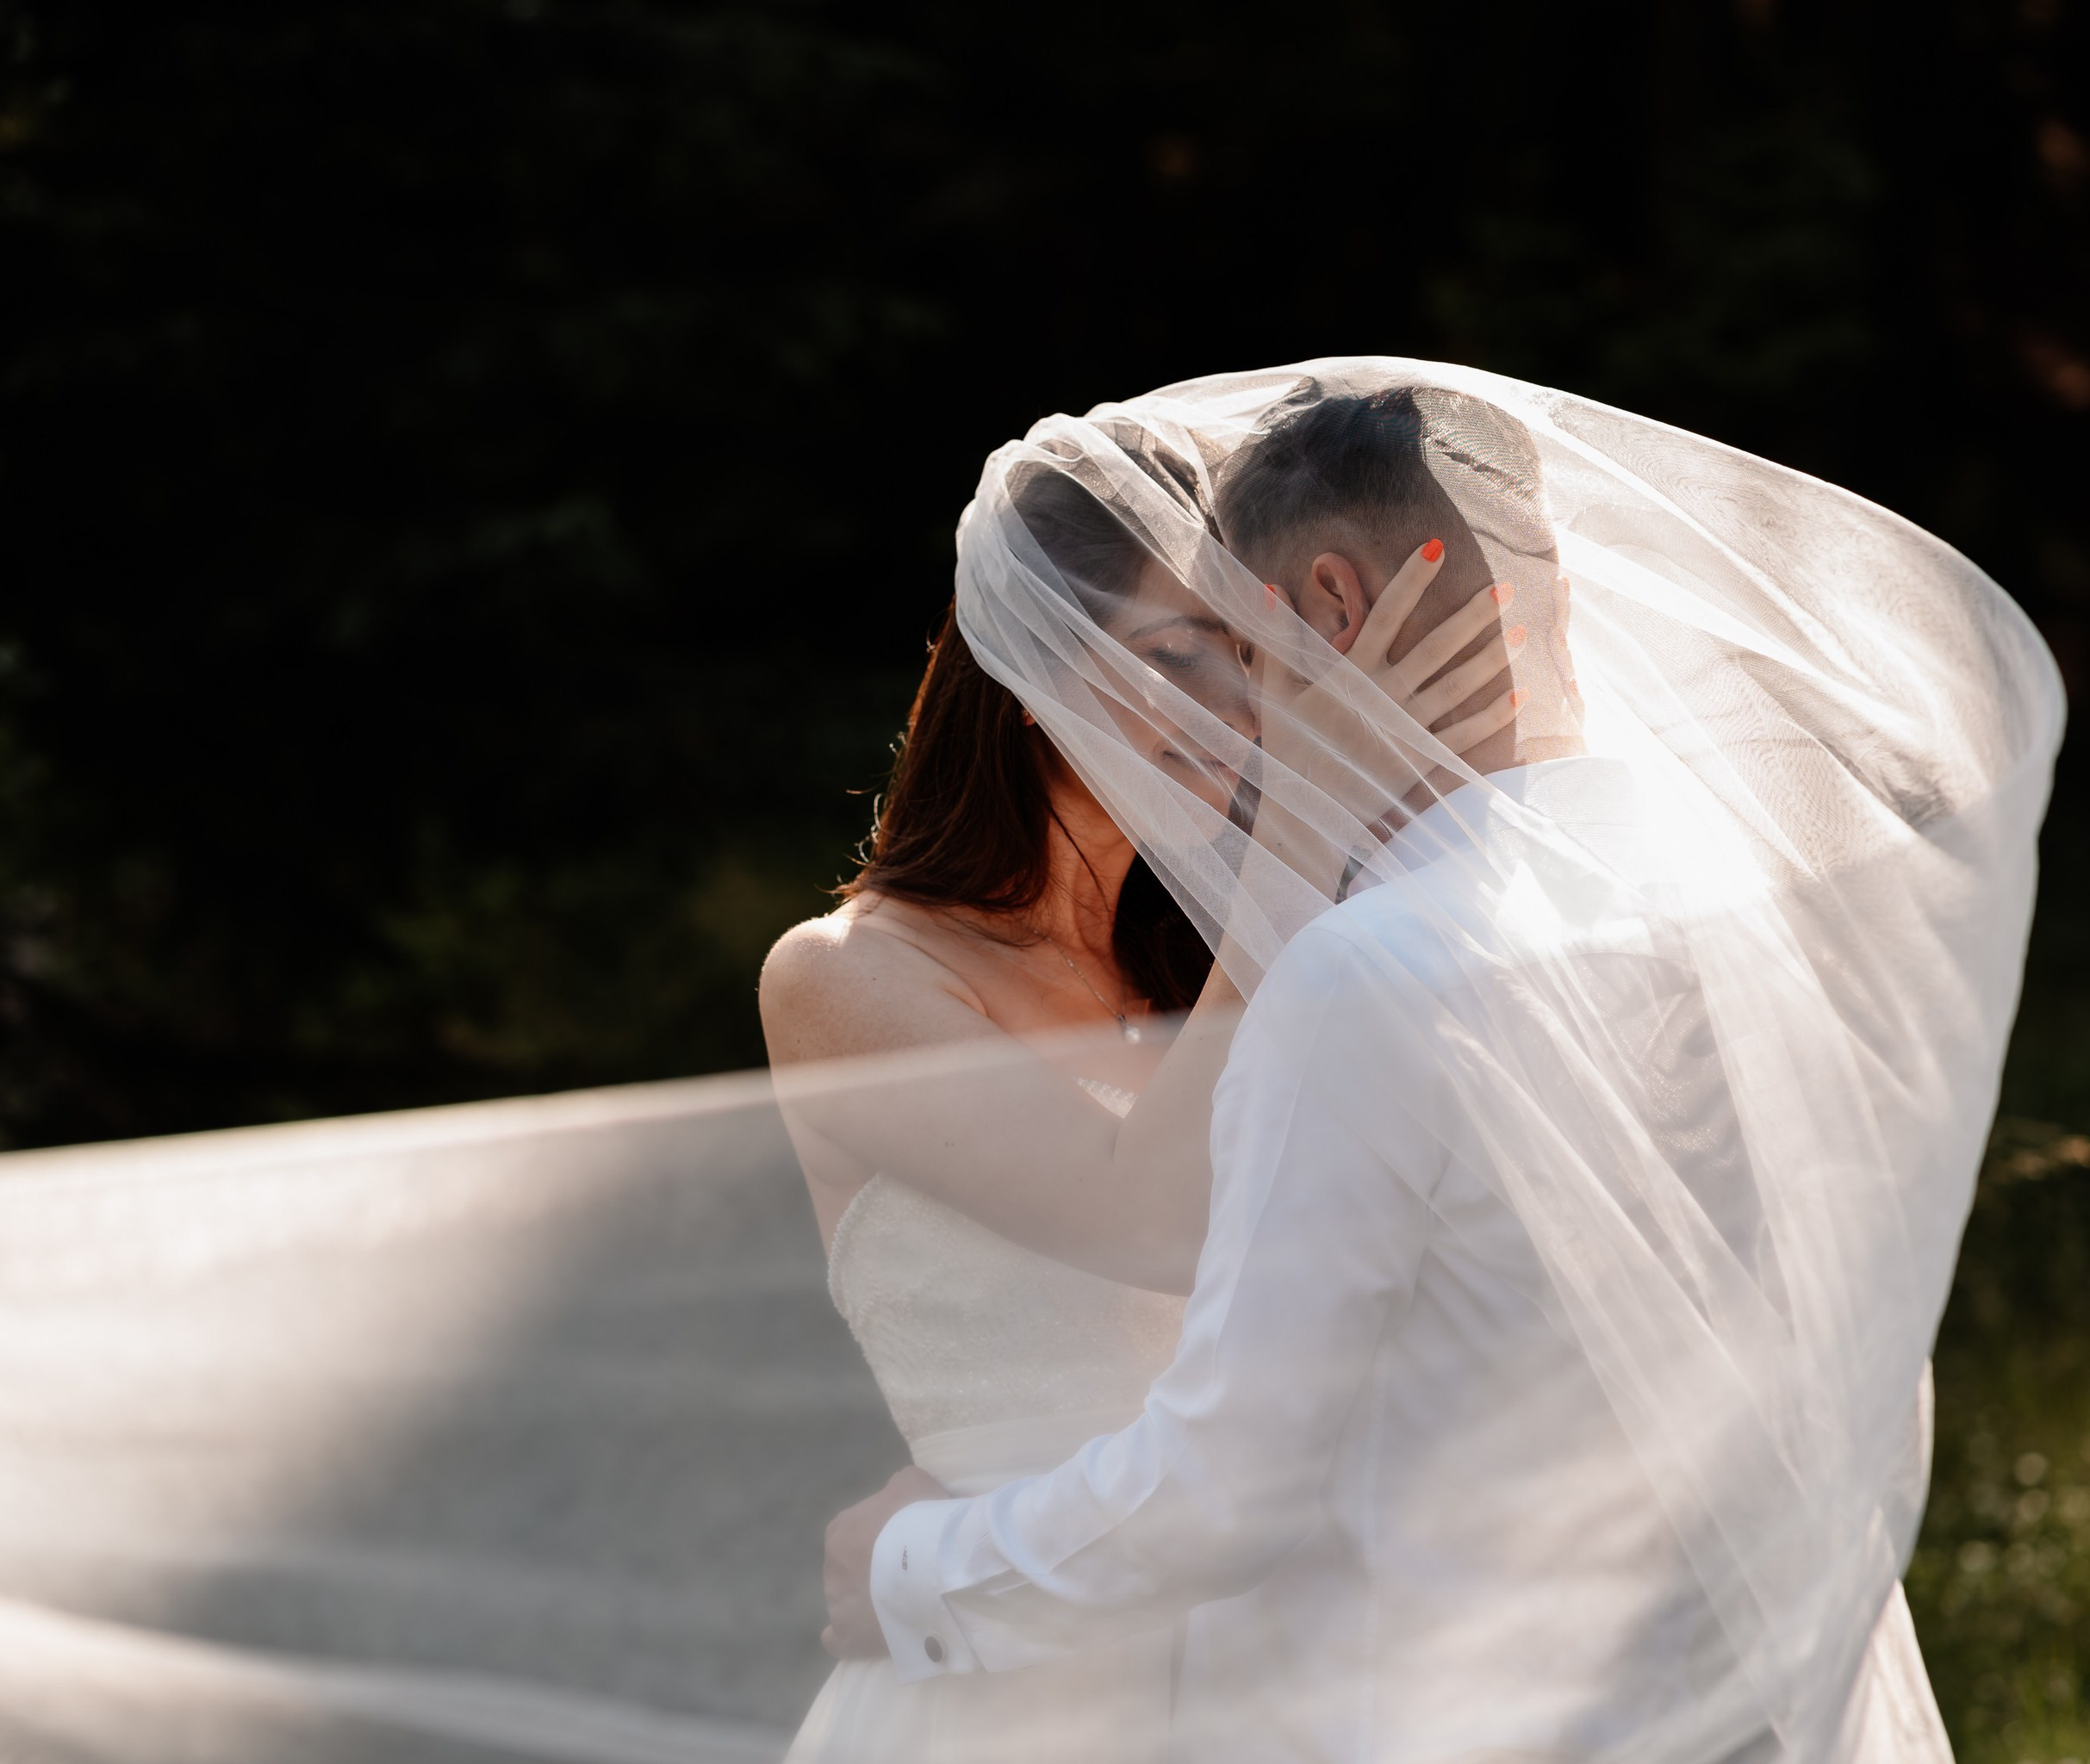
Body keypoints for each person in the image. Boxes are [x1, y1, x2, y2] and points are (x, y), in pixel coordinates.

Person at [815, 365, 2058, 1763]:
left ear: (1333, 607)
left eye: (1241, 641)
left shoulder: (1371, 973)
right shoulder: (1737, 898)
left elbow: (1233, 1485)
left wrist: (921, 1569)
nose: (1234, 704)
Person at [760, 439, 1516, 1762]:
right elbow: (1143, 1216)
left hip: (1276, 1661)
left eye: (1248, 648)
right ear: (1035, 673)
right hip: (1008, 1686)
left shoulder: (1219, 963)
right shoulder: (846, 978)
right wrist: (1301, 834)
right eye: (1176, 656)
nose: (1238, 701)